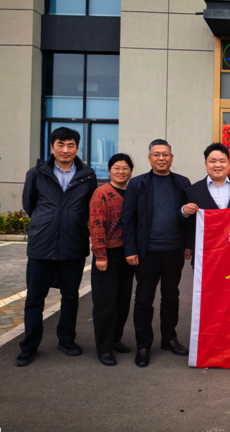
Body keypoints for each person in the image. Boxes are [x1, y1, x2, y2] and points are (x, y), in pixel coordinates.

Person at [16, 127, 98, 366]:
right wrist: (48, 222)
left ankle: (66, 340)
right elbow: (30, 205)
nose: (65, 149)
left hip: (74, 245)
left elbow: (89, 208)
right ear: (52, 147)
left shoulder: (87, 176)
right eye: (60, 144)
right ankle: (29, 345)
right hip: (42, 246)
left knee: (70, 296)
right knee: (34, 299)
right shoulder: (36, 174)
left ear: (77, 148)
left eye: (70, 145)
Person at [121, 139, 192, 368]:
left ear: (172, 158)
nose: (161, 158)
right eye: (156, 154)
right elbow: (128, 219)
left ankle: (169, 339)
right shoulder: (137, 184)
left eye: (165, 154)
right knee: (144, 299)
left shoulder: (182, 183)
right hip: (146, 253)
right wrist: (131, 249)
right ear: (149, 158)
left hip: (174, 251)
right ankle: (143, 345)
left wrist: (188, 244)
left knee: (171, 297)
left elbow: (188, 217)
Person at [88, 154, 136, 367]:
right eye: (117, 168)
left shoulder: (133, 192)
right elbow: (96, 224)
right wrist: (100, 254)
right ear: (109, 171)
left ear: (131, 171)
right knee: (105, 304)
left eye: (125, 168)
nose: (121, 172)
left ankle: (115, 339)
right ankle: (104, 348)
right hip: (107, 255)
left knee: (123, 301)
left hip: (128, 253)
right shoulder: (101, 193)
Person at [181, 143, 230, 256]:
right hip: (206, 251)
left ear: (229, 164)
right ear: (206, 164)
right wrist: (184, 212)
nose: (218, 165)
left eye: (222, 161)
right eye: (213, 161)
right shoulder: (193, 190)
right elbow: (190, 223)